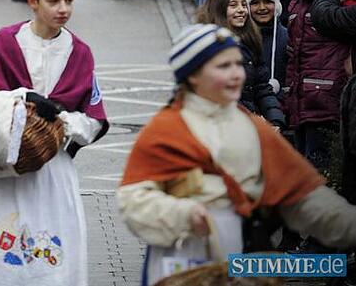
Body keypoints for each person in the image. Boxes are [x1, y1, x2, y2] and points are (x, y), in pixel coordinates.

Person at [118, 24, 356, 285]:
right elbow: (133, 201)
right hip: (180, 264)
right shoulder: (165, 130)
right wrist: (183, 214)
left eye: (238, 64)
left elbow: (303, 198)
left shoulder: (254, 129)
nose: (236, 74)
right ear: (193, 76)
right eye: (223, 66)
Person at [0, 0, 108, 285]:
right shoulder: (6, 42)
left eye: (70, 0)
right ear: (33, 1)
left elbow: (94, 121)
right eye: (54, 1)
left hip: (53, 171)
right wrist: (24, 97)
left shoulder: (80, 52)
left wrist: (60, 122)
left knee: (54, 258)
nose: (64, 9)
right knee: (4, 253)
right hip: (8, 168)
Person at [285, 0, 350, 173]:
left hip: (325, 101)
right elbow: (293, 57)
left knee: (318, 169)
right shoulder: (294, 5)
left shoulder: (336, 6)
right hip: (300, 101)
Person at [196, 0, 284, 127]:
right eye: (233, 5)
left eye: (244, 4)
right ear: (219, 10)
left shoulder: (251, 42)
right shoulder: (208, 46)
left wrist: (275, 119)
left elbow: (262, 88)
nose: (241, 10)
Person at [243, 0, 288, 94]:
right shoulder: (241, 38)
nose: (262, 8)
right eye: (255, 3)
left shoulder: (287, 37)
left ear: (277, 5)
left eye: (268, 1)